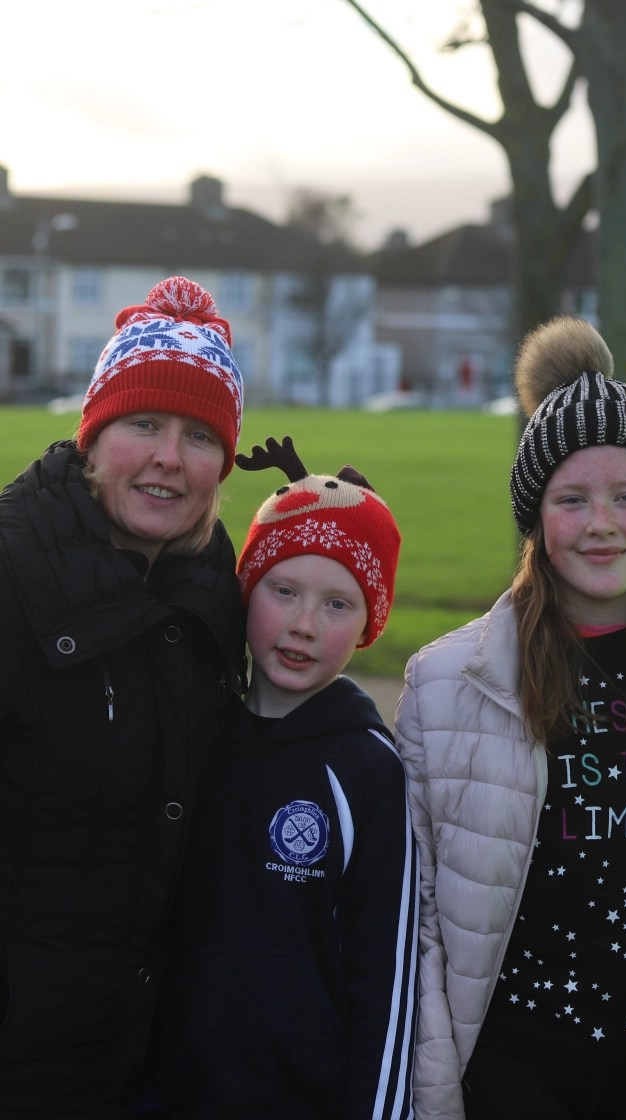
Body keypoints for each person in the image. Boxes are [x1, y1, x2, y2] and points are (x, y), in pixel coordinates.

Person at [395, 316, 626, 1120]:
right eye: (571, 500)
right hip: (500, 1084)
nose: (601, 524)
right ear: (535, 519)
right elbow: (420, 928)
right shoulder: (444, 686)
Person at [0, 276, 247, 1117]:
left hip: (153, 1063)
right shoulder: (11, 576)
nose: (169, 458)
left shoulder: (217, 596)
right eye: (144, 424)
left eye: (199, 436)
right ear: (94, 439)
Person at [149, 436, 418, 1119]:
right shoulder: (193, 737)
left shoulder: (369, 771)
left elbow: (387, 984)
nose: (302, 625)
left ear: (370, 621)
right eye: (284, 590)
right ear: (247, 589)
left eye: (337, 604)